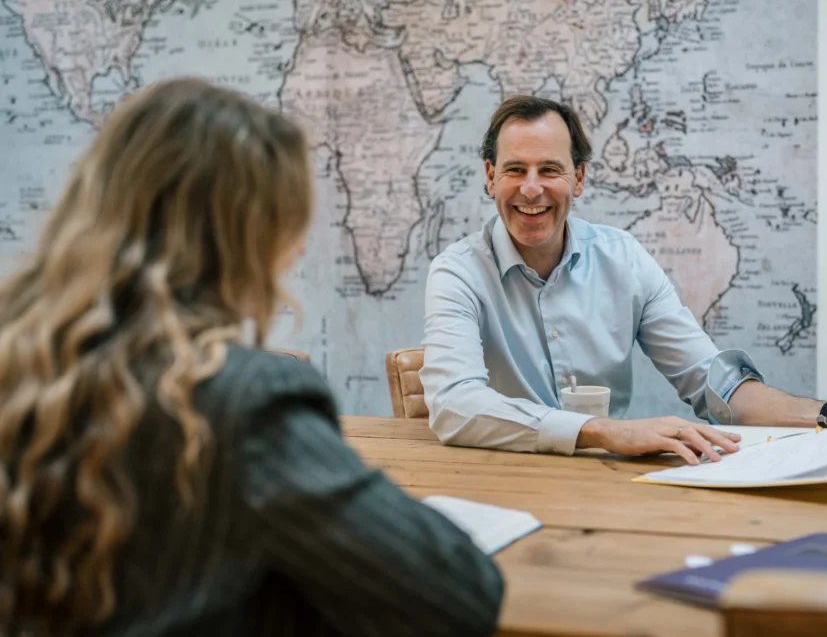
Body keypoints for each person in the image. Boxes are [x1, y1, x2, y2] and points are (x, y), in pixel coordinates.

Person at [0, 78, 503, 637]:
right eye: (290, 221)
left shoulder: (21, 362)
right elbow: (459, 594)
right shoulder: (246, 399)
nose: (301, 247)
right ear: (245, 235)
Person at [420, 95, 827, 462]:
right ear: (490, 176)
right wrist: (605, 431)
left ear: (579, 178)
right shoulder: (457, 272)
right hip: (497, 479)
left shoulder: (623, 259)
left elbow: (712, 383)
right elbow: (455, 405)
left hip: (601, 487)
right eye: (515, 170)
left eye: (551, 170)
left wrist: (826, 414)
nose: (532, 188)